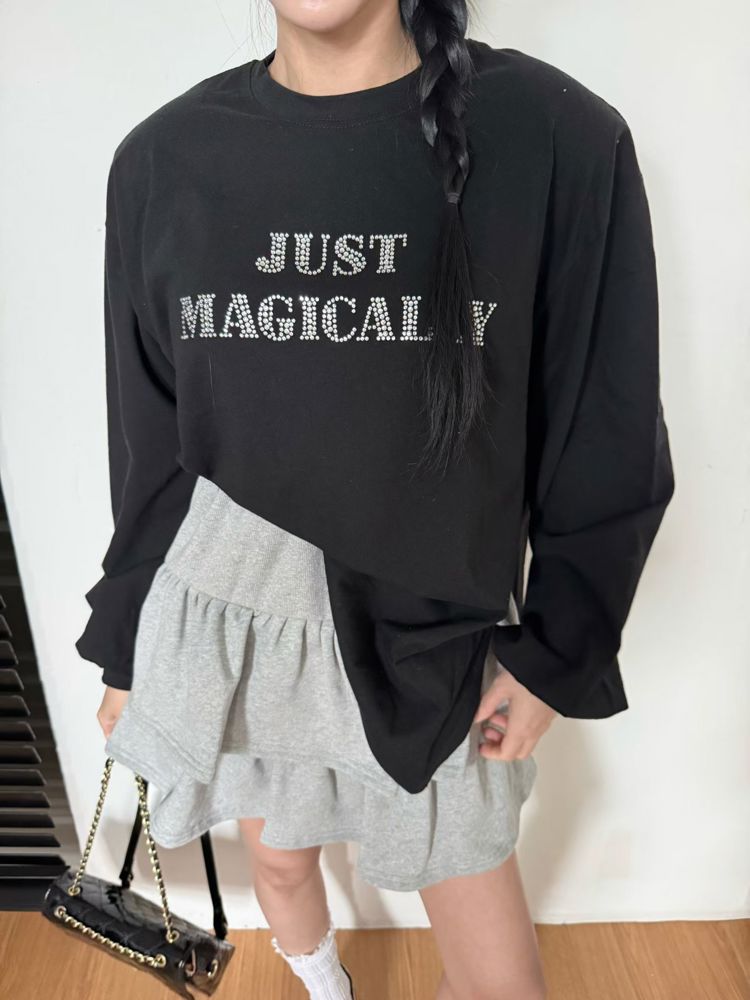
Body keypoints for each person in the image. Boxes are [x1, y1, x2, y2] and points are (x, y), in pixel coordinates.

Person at [79, 2, 675, 998]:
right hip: (234, 625)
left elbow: (602, 421)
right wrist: (130, 640)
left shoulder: (557, 137)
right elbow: (150, 440)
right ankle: (327, 985)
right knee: (279, 865)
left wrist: (559, 648)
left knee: (500, 982)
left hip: (428, 646)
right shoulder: (162, 160)